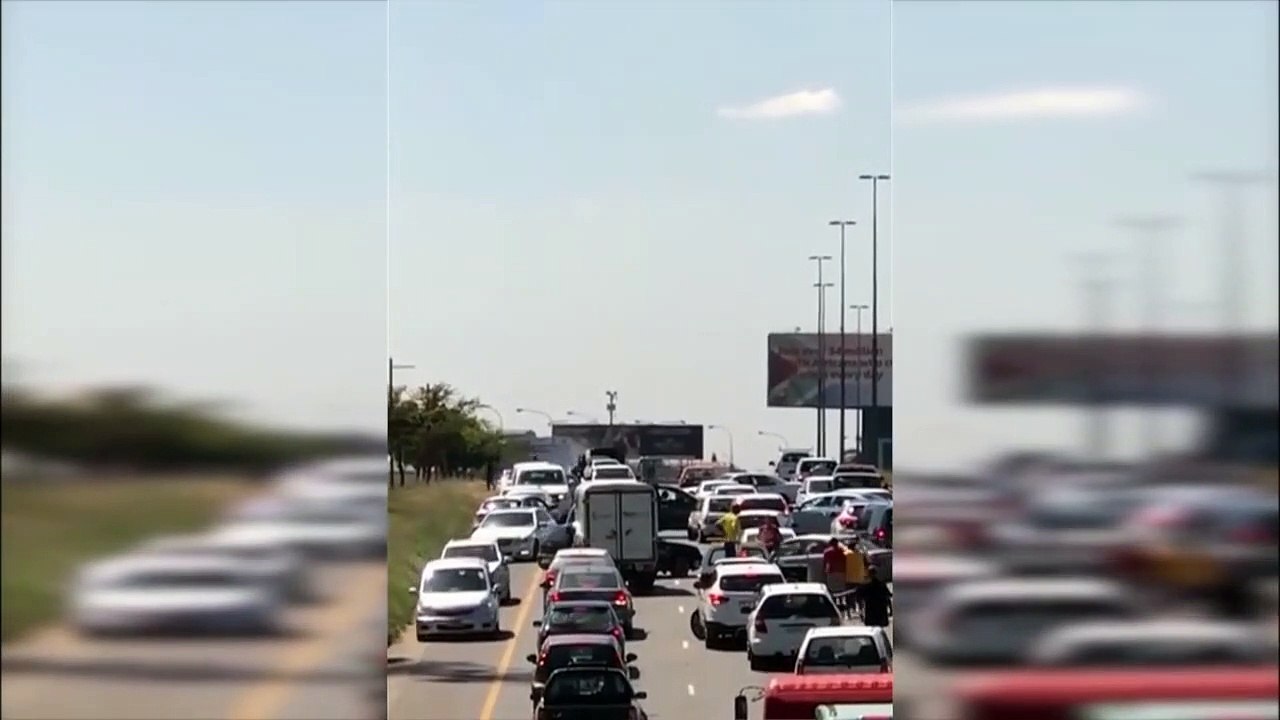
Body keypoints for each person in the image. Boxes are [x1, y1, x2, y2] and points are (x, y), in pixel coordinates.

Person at [843, 540, 869, 618]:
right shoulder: (861, 554)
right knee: (860, 597)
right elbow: (867, 564)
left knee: (848, 597)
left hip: (848, 578)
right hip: (859, 578)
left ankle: (848, 613)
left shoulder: (845, 554)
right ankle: (861, 612)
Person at [821, 537, 848, 609]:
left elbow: (825, 563)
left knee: (833, 589)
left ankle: (835, 603)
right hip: (841, 571)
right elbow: (846, 561)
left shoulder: (827, 552)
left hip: (832, 572)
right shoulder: (843, 551)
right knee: (841, 589)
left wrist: (824, 571)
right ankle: (841, 601)